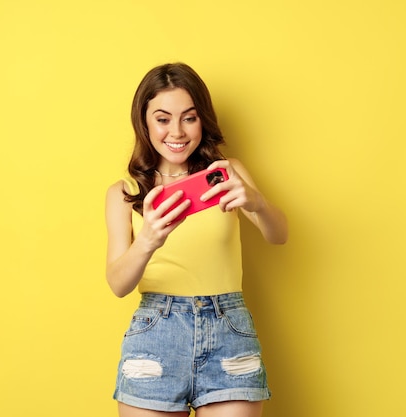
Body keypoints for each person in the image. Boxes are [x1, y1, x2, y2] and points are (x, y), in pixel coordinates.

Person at [105, 62, 288, 417]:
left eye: (189, 117)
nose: (177, 131)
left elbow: (279, 235)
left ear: (202, 119)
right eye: (162, 118)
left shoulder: (224, 173)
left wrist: (257, 202)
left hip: (229, 332)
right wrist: (148, 240)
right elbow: (117, 284)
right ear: (144, 122)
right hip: (156, 333)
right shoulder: (125, 193)